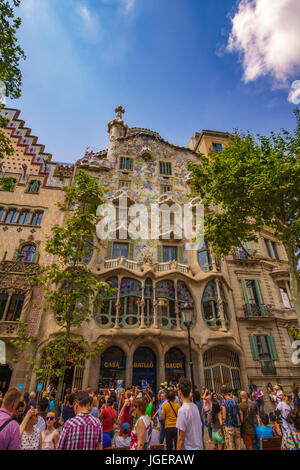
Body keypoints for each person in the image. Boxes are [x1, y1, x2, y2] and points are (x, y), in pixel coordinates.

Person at [176, 377, 204, 450]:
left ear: (180, 392)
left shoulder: (182, 410)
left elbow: (181, 439)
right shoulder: (195, 407)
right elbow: (200, 431)